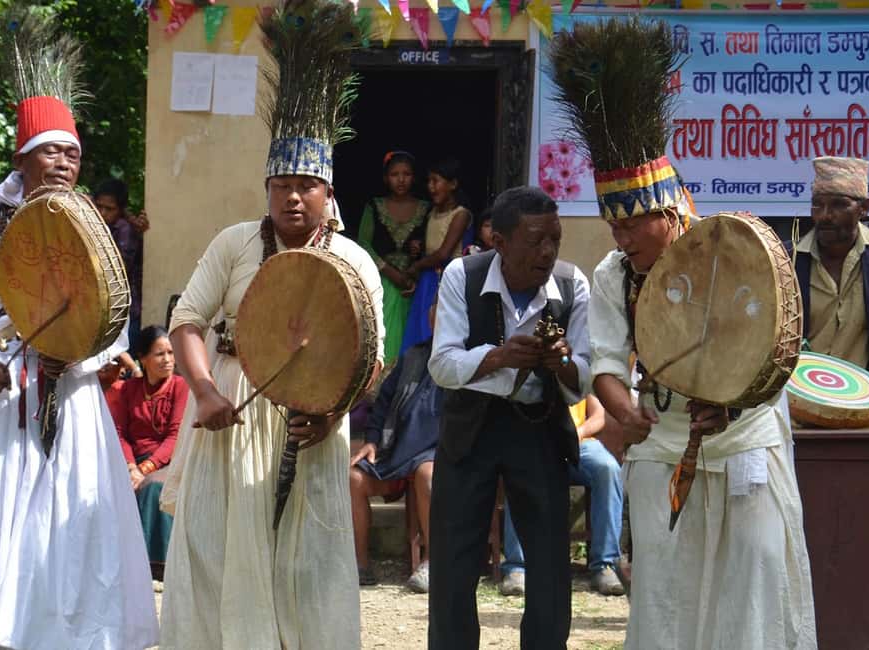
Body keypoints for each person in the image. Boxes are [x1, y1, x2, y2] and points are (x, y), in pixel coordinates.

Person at [548, 18, 815, 649]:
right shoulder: (615, 274)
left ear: (669, 213)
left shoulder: (730, 250)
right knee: (665, 598)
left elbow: (773, 350)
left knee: (748, 587)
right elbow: (606, 364)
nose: (623, 240)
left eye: (634, 226)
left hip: (745, 441)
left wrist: (725, 399)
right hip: (663, 448)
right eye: (614, 228)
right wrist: (623, 409)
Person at [0, 14, 155, 649]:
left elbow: (112, 317)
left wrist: (77, 358)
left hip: (67, 397)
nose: (65, 162)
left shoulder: (93, 231)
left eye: (73, 152)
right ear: (22, 157)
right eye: (53, 149)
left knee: (67, 525)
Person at [159, 2, 381, 647]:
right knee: (217, 546)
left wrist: (333, 415)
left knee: (306, 557)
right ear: (266, 187)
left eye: (306, 184)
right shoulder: (233, 243)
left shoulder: (353, 259)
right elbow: (187, 320)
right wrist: (203, 391)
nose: (292, 196)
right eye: (281, 182)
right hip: (229, 412)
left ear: (327, 192)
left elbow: (372, 360)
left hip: (314, 420)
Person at [428, 186, 590, 649]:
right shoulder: (463, 273)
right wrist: (500, 357)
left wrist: (559, 363)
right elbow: (442, 364)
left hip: (537, 428)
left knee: (549, 563)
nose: (548, 252)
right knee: (454, 562)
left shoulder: (572, 284)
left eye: (555, 240)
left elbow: (584, 376)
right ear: (499, 241)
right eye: (536, 240)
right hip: (470, 427)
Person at [788, 156, 869, 413]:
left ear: (864, 208)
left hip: (866, 409)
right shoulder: (792, 259)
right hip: (801, 409)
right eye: (818, 205)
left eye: (839, 205)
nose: (826, 216)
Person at [350, 296, 440, 593]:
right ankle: (359, 565)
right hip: (396, 451)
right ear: (429, 317)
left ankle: (432, 562)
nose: (440, 318)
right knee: (354, 478)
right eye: (436, 311)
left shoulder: (469, 359)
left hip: (437, 454)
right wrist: (372, 441)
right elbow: (383, 401)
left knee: (428, 475)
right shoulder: (413, 356)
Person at [500, 394, 625, 597]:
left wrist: (577, 432)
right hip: (536, 441)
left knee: (608, 468)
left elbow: (598, 415)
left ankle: (605, 565)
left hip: (581, 443)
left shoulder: (580, 365)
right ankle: (517, 567)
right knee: (520, 470)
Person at [110, 326, 188, 580]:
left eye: (170, 353)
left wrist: (144, 470)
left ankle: (154, 565)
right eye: (159, 354)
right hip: (134, 462)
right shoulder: (129, 390)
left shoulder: (180, 387)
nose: (167, 360)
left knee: (154, 487)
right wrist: (131, 467)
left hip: (167, 462)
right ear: (142, 357)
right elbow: (119, 432)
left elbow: (175, 436)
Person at [357, 151, 429, 365]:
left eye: (406, 174)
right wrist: (389, 272)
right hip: (381, 284)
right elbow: (363, 244)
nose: (400, 179)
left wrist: (416, 266)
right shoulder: (374, 206)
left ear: (414, 177)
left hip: (414, 286)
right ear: (385, 178)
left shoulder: (426, 209)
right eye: (394, 174)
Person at [402, 157, 472, 353]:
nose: (431, 187)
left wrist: (415, 267)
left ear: (453, 184)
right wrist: (419, 248)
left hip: (446, 279)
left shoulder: (461, 214)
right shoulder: (432, 213)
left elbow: (443, 254)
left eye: (436, 181)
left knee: (437, 331)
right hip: (428, 278)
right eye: (429, 181)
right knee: (421, 331)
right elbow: (432, 248)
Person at [93, 178, 148, 351]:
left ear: (120, 210)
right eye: (99, 206)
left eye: (109, 209)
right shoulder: (96, 225)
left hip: (124, 312)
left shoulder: (125, 230)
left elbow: (116, 271)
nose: (102, 213)